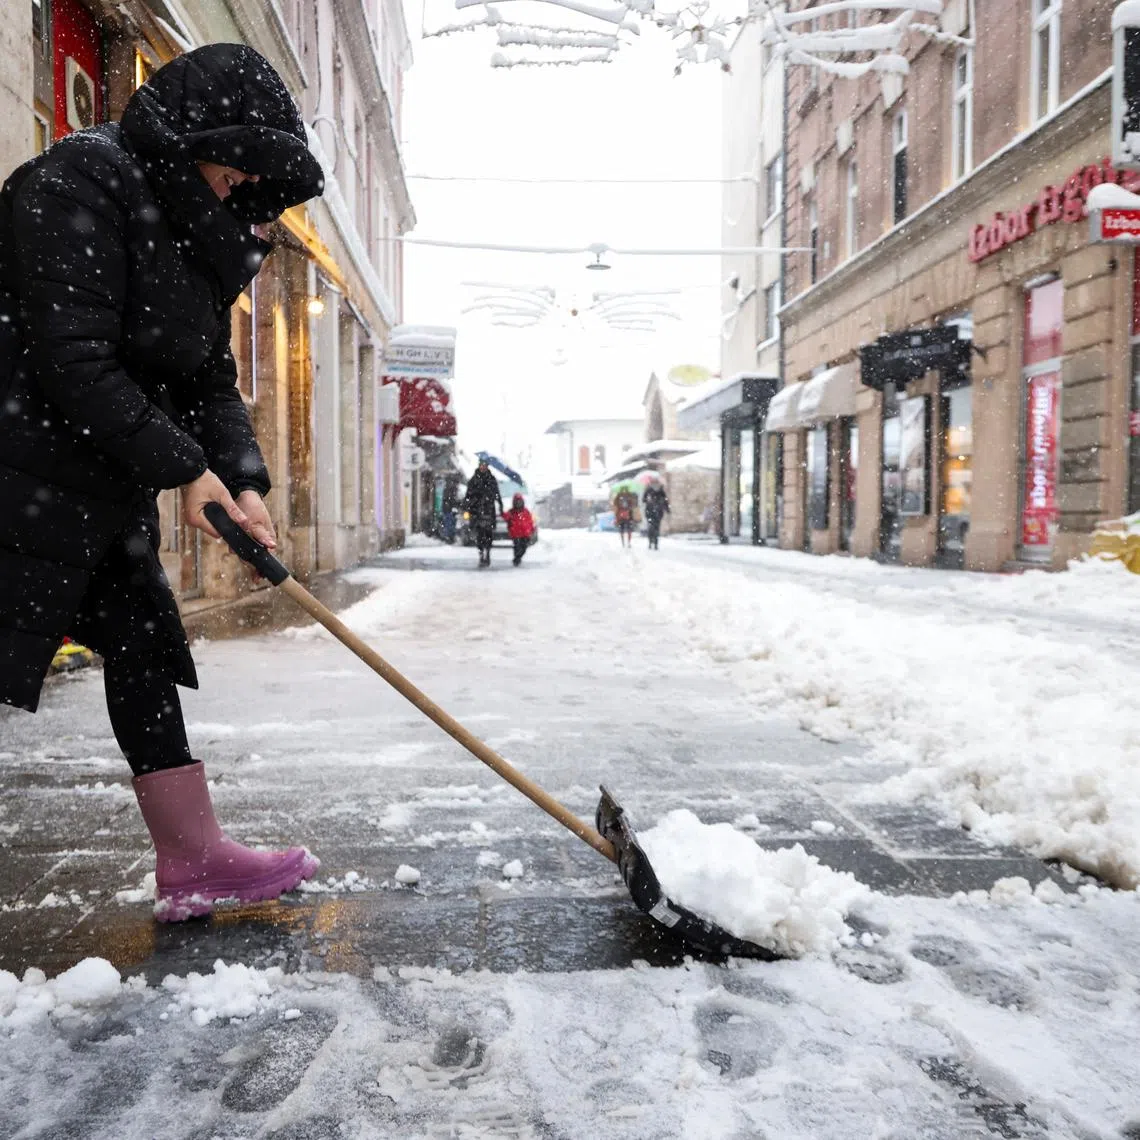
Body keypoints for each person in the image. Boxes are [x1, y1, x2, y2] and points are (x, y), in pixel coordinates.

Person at [0, 45, 325, 922]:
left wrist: (241, 479)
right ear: (196, 138)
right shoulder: (77, 183)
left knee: (144, 646)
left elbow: (208, 381)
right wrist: (183, 468)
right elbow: (72, 361)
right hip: (17, 476)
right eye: (236, 164)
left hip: (98, 486)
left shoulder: (194, 242)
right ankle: (193, 857)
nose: (241, 185)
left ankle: (193, 859)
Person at [463, 459, 503, 566]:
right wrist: (469, 504)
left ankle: (488, 553)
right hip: (476, 511)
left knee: (489, 534)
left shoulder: (492, 479)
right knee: (480, 535)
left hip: (489, 509)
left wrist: (500, 504)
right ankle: (481, 554)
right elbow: (468, 495)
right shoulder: (474, 479)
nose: (483, 467)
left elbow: (497, 493)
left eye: (485, 465)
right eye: (481, 465)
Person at [503, 493, 536, 566]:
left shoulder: (526, 511)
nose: (518, 503)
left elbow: (530, 521)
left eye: (519, 502)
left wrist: (532, 529)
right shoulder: (511, 512)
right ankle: (517, 558)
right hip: (516, 534)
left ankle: (518, 557)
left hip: (525, 533)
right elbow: (506, 517)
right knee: (517, 547)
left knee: (524, 548)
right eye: (517, 502)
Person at [643, 481, 670, 550]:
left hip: (651, 512)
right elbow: (665, 501)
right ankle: (654, 543)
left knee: (652, 527)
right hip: (656, 513)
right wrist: (667, 509)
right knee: (656, 528)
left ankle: (652, 542)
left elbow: (643, 500)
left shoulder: (649, 490)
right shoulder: (660, 491)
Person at [441, 475, 461, 544]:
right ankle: (449, 537)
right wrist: (456, 505)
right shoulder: (450, 490)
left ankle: (450, 537)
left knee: (450, 524)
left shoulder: (449, 489)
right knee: (450, 524)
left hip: (449, 510)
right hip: (448, 510)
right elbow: (450, 500)